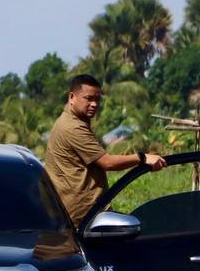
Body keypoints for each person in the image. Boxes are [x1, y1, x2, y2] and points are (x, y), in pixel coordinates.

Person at [44, 74, 166, 226]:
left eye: (97, 99)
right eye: (88, 98)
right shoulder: (72, 127)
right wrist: (142, 158)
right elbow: (107, 163)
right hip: (84, 218)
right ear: (72, 97)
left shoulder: (74, 122)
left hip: (86, 214)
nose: (94, 104)